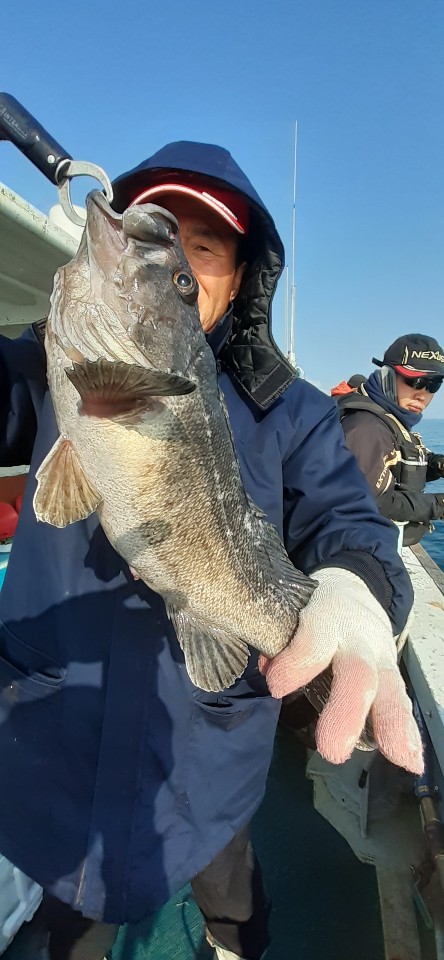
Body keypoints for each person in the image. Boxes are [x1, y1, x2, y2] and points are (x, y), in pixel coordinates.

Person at [0, 142, 422, 960]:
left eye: (198, 257)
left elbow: (352, 524)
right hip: (55, 743)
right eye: (157, 234)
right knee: (64, 923)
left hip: (206, 756)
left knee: (233, 900)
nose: (172, 262)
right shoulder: (47, 365)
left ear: (239, 280)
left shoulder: (291, 412)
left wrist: (357, 587)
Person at [338, 334, 444, 547]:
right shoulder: (365, 427)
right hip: (358, 551)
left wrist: (436, 465)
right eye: (416, 381)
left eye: (433, 385)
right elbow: (370, 501)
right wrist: (438, 504)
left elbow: (393, 463)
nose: (422, 394)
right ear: (387, 375)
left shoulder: (388, 417)